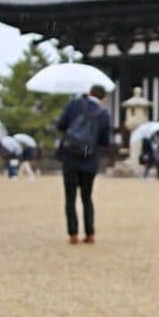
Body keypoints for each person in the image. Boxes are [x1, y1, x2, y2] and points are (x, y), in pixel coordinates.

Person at [55, 84, 111, 243]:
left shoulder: (74, 104)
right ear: (103, 98)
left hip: (70, 156)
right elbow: (104, 140)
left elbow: (61, 125)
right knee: (87, 197)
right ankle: (90, 233)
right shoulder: (103, 113)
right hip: (89, 158)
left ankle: (73, 234)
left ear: (89, 93)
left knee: (70, 197)